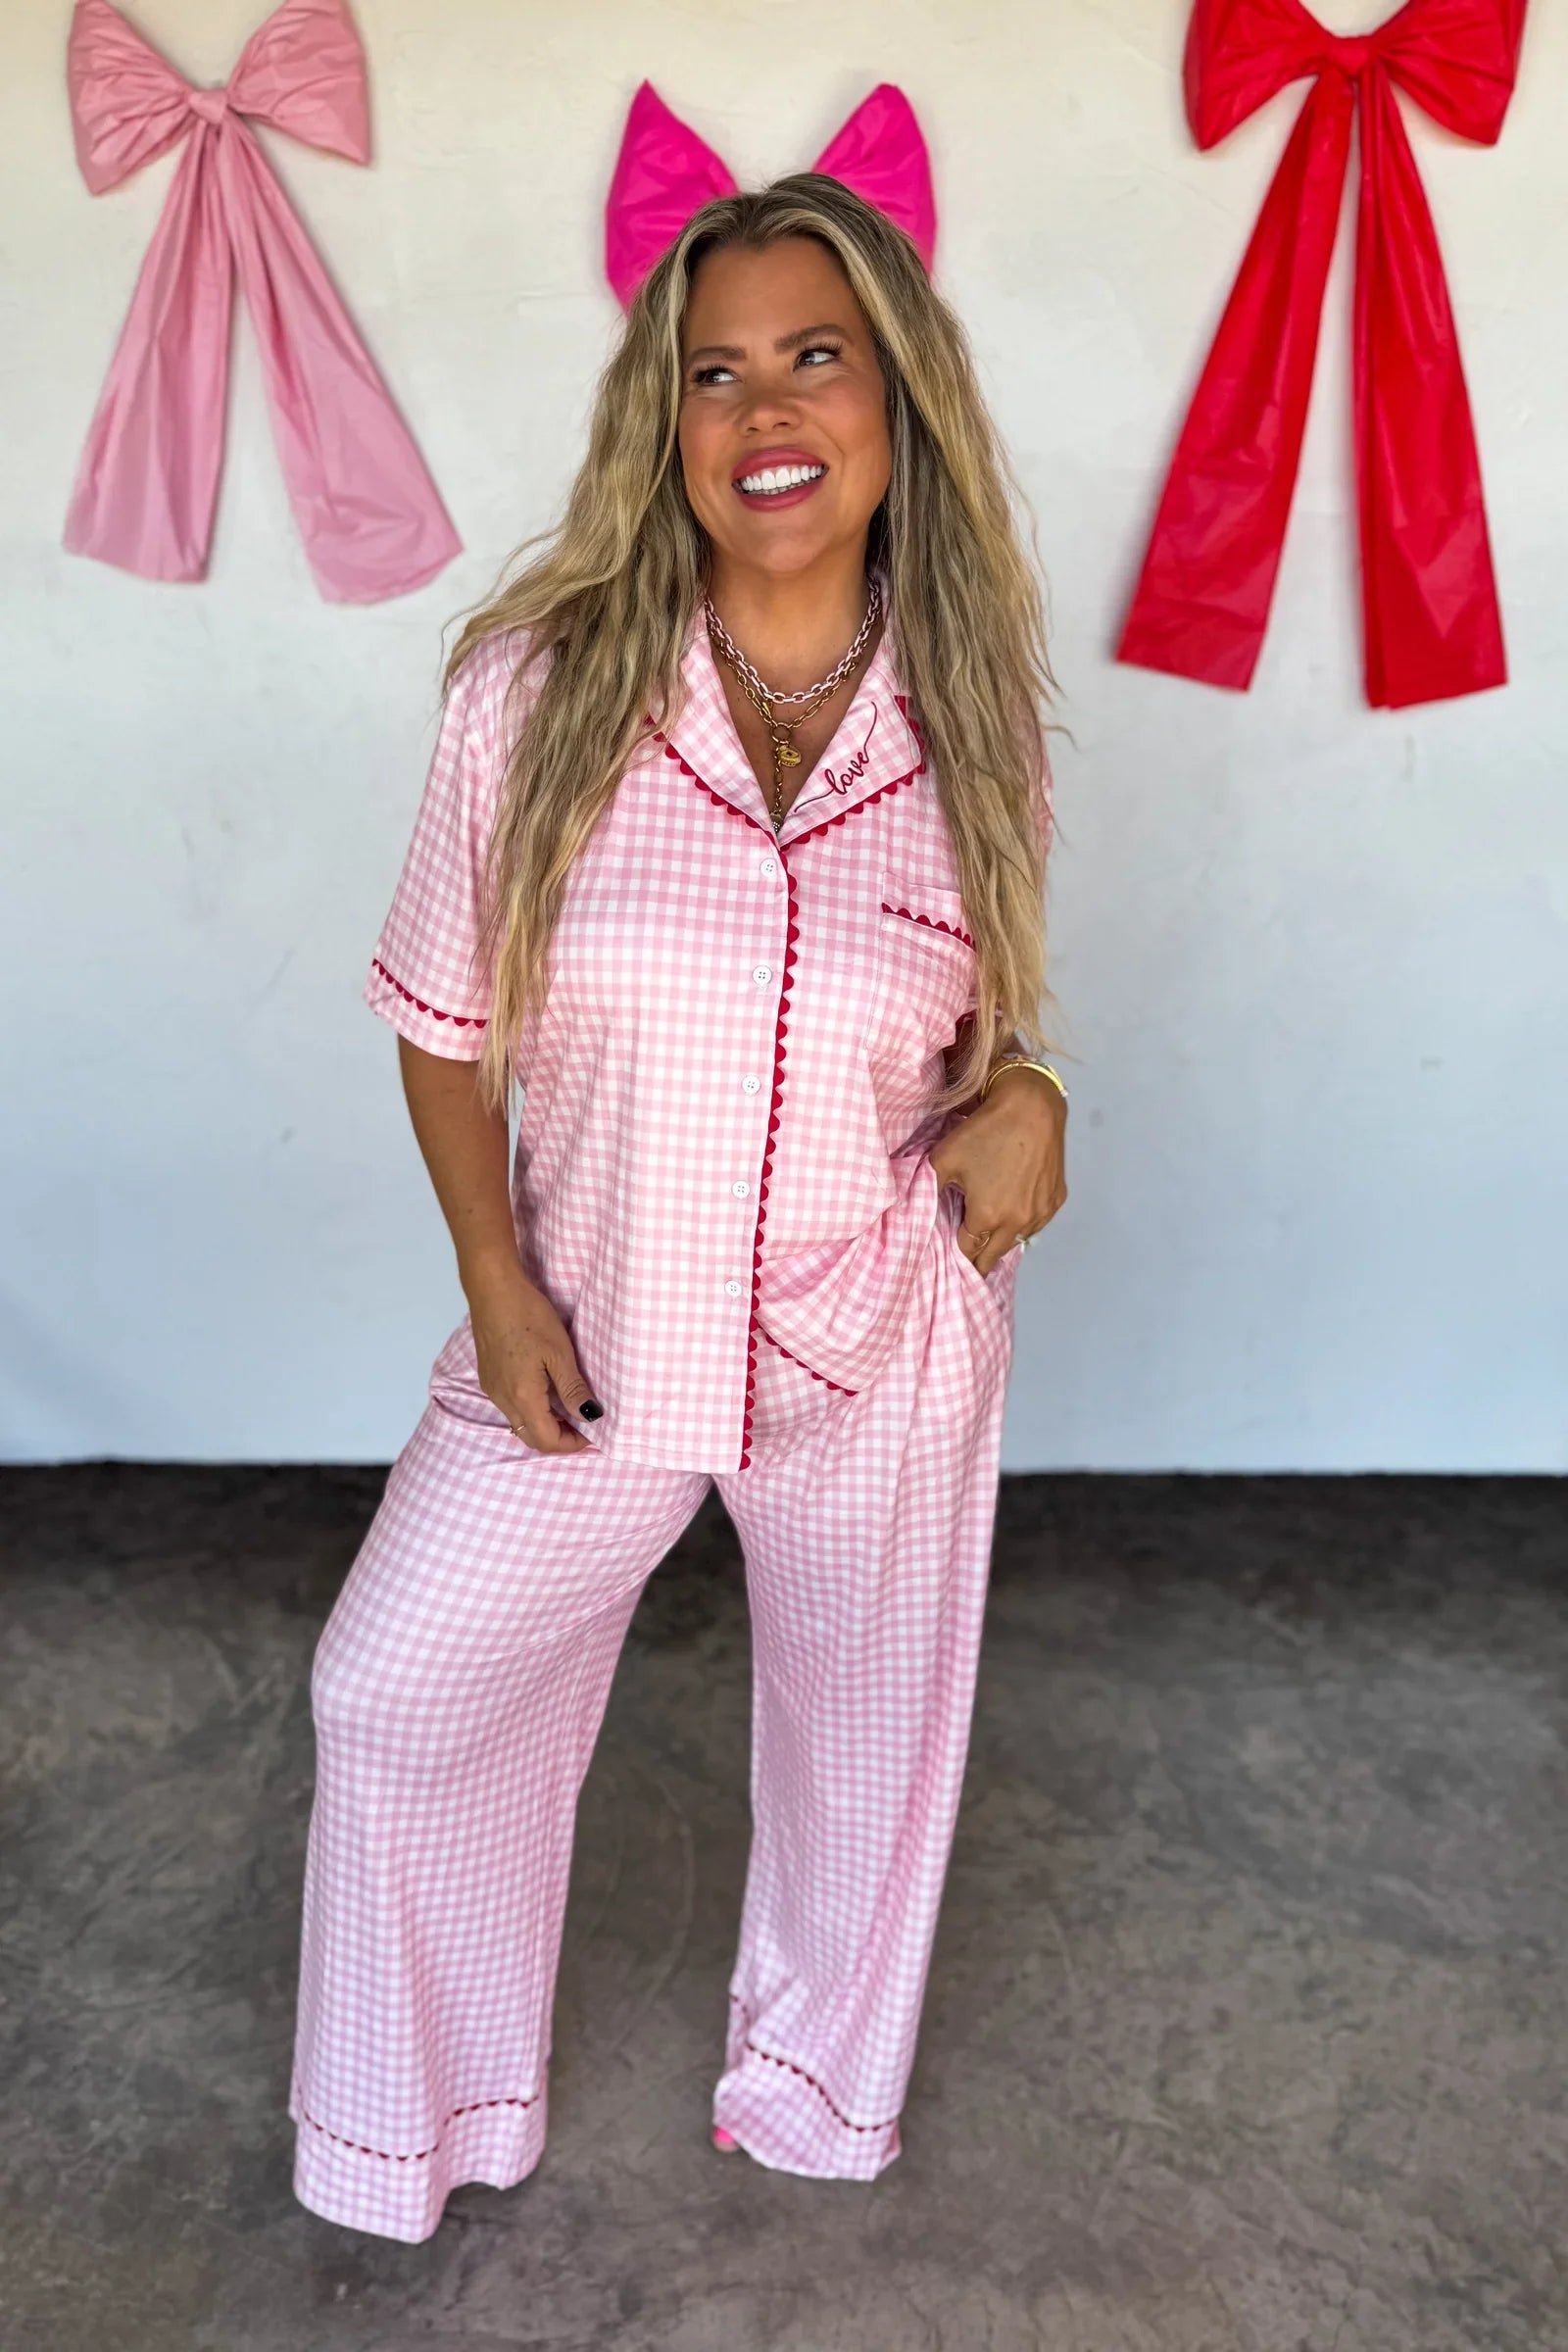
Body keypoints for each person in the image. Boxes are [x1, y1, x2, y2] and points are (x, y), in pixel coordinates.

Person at [288, 170, 1068, 2244]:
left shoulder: (973, 719)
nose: (766, 410)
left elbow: (981, 1036)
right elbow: (441, 1022)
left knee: (865, 1740)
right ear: (667, 421)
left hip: (873, 1322)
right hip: (597, 1323)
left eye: (816, 356)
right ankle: (421, 2121)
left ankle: (812, 2093)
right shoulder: (530, 697)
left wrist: (1039, 1091)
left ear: (895, 398)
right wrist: (493, 1278)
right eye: (714, 373)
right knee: (394, 1690)